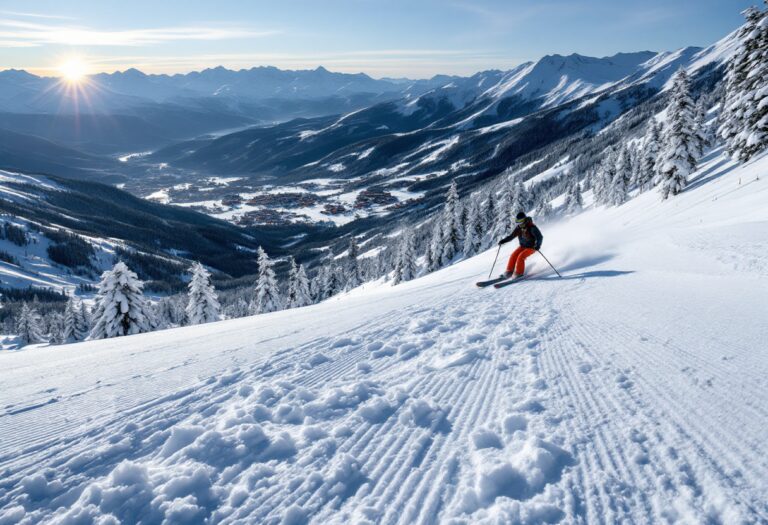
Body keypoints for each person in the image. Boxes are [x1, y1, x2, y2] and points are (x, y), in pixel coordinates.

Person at [498, 212, 543, 279]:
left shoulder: (531, 227)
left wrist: (537, 245)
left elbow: (540, 237)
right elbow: (512, 236)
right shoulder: (519, 228)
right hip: (523, 246)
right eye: (518, 222)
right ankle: (509, 271)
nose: (520, 223)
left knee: (520, 257)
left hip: (532, 247)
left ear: (524, 220)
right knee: (513, 255)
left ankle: (519, 273)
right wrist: (503, 241)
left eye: (521, 221)